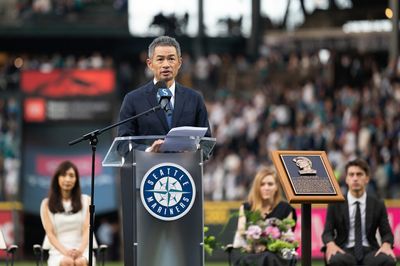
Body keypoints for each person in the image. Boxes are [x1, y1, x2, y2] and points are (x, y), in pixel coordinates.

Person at [117, 35, 211, 152]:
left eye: (171, 59)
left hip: (184, 168)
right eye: (160, 59)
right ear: (150, 64)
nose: (166, 65)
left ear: (179, 63)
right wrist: (148, 150)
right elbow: (122, 144)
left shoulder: (195, 98)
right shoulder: (133, 99)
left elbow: (207, 142)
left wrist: (195, 150)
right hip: (148, 168)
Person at [322, 158, 396, 266]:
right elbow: (327, 233)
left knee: (388, 261)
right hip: (344, 250)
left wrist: (386, 245)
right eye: (351, 175)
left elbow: (387, 233)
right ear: (346, 179)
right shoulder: (335, 203)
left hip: (370, 251)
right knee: (335, 260)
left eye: (359, 174)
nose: (355, 178)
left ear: (367, 178)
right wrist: (330, 245)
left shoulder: (378, 204)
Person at [232, 166, 297, 265]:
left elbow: (287, 238)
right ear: (257, 187)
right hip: (251, 252)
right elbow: (241, 234)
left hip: (275, 254)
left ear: (276, 187)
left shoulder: (286, 208)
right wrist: (254, 244)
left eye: (270, 184)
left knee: (268, 257)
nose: (266, 188)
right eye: (262, 184)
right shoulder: (246, 207)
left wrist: (267, 246)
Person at [40, 161, 94, 266]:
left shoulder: (87, 200)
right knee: (67, 262)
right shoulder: (46, 203)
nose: (67, 179)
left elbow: (87, 229)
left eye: (71, 176)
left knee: (80, 262)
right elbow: (50, 234)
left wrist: (80, 251)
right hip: (58, 250)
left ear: (76, 179)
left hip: (83, 248)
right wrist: (66, 252)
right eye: (64, 175)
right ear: (57, 178)